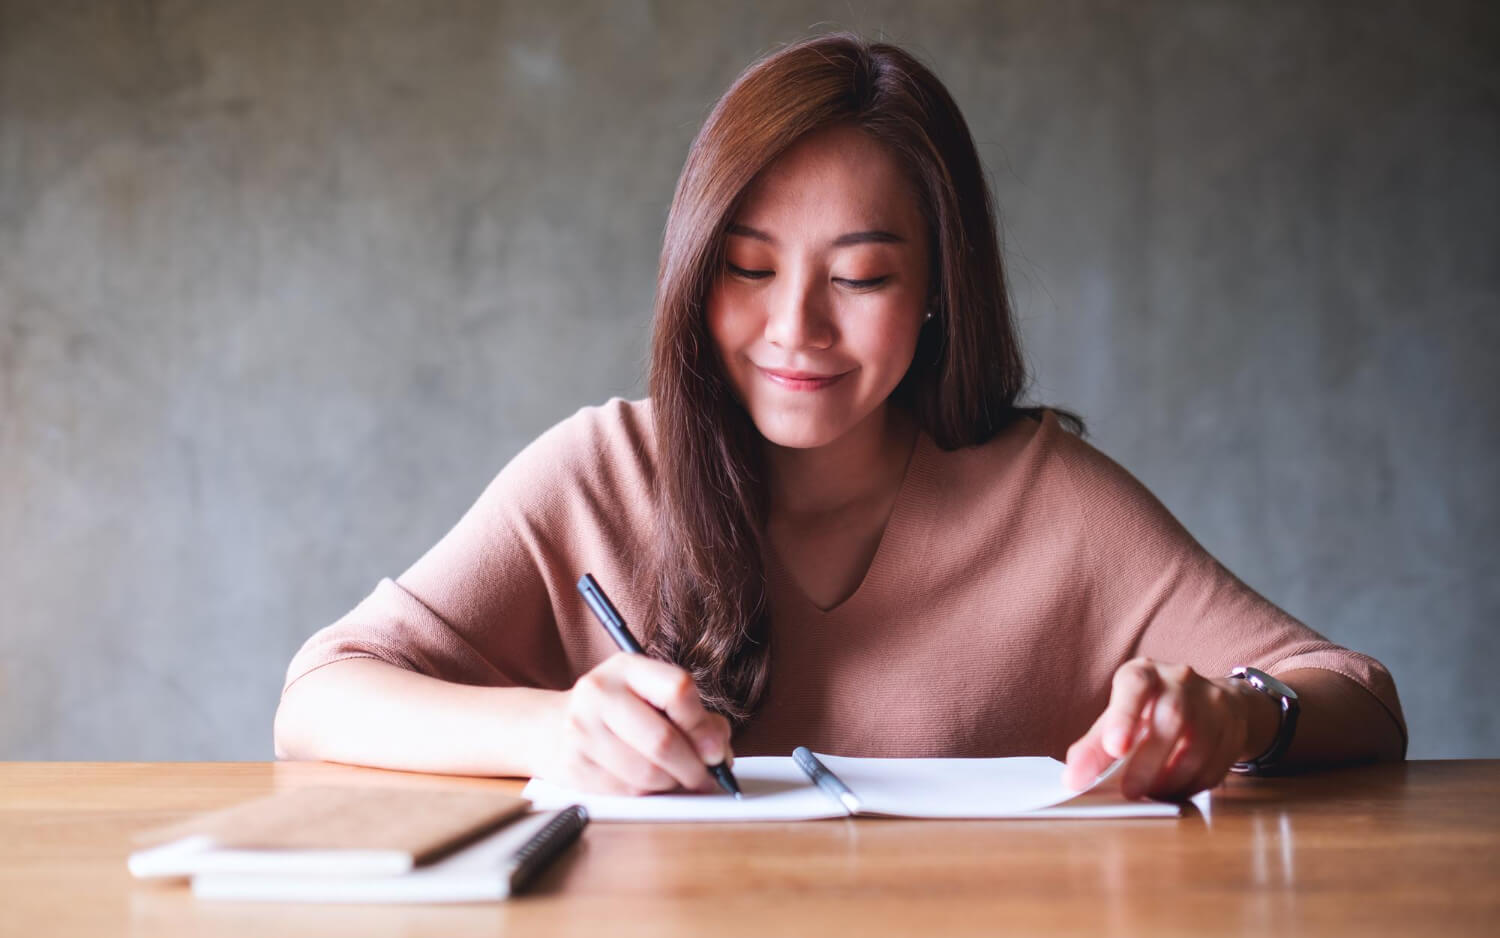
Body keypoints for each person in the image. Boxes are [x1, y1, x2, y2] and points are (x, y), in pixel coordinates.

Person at [273, 33, 1405, 802]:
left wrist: (1239, 718)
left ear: (939, 293)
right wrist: (552, 727)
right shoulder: (603, 471)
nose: (794, 328)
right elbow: (320, 694)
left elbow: (1356, 691)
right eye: (748, 269)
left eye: (858, 278)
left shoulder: (1044, 497)